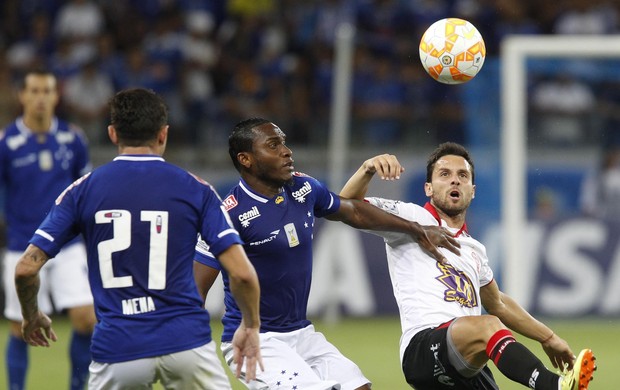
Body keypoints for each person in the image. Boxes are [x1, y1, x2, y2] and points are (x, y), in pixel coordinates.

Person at [14, 88, 263, 389]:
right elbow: (242, 274)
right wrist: (251, 326)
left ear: (112, 133)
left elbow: (26, 269)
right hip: (186, 343)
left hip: (118, 349)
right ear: (163, 134)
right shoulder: (195, 189)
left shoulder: (82, 191)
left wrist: (31, 314)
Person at [193, 117, 460, 390]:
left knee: (359, 387)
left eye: (284, 142)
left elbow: (352, 210)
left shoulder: (302, 188)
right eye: (273, 145)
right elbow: (196, 291)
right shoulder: (227, 214)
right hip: (257, 341)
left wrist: (416, 229)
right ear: (246, 159)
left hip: (301, 333)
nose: (286, 151)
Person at [339, 145, 597, 390]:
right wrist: (368, 168)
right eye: (444, 174)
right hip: (424, 347)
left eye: (463, 175)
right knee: (487, 325)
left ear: (472, 190)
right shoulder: (412, 218)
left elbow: (499, 303)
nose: (455, 180)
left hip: (469, 361)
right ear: (428, 188)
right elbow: (345, 205)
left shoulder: (475, 249)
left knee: (487, 326)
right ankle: (556, 386)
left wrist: (548, 337)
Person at [0, 69, 96, 390]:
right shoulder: (6, 143)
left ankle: (77, 385)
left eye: (47, 91)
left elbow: (85, 190)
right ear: (23, 96)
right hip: (22, 245)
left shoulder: (72, 138)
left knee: (86, 319)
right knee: (19, 327)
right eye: (35, 91)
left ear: (56, 97)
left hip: (67, 246)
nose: (40, 97)